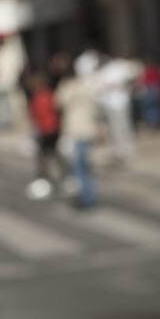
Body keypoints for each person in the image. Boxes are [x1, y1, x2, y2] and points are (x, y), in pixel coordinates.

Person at [56, 61, 101, 209]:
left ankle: (86, 197)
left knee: (79, 166)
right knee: (87, 165)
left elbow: (58, 104)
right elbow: (95, 105)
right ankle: (90, 195)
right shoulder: (87, 85)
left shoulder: (66, 87)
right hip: (88, 129)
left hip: (75, 131)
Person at [27, 71, 67, 197]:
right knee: (53, 153)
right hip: (52, 128)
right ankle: (59, 175)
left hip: (45, 129)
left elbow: (37, 113)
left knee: (44, 155)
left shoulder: (39, 96)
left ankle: (45, 177)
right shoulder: (49, 94)